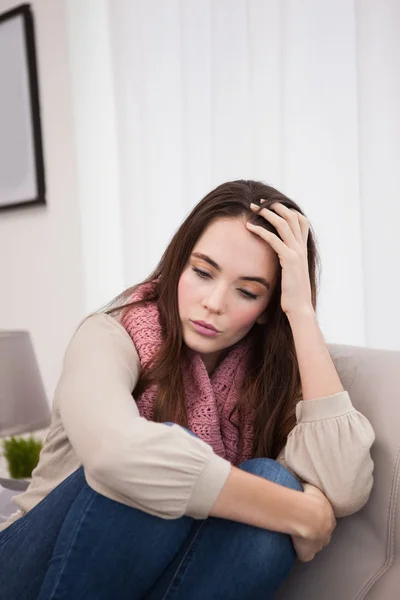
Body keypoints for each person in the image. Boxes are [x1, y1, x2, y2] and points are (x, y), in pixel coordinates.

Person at [0, 180, 375, 600]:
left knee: (273, 478)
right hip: (21, 570)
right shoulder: (108, 335)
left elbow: (343, 485)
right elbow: (117, 454)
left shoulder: (265, 378)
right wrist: (303, 513)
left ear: (268, 308)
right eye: (201, 272)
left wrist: (300, 311)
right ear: (178, 265)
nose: (214, 302)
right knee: (155, 469)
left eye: (248, 291)